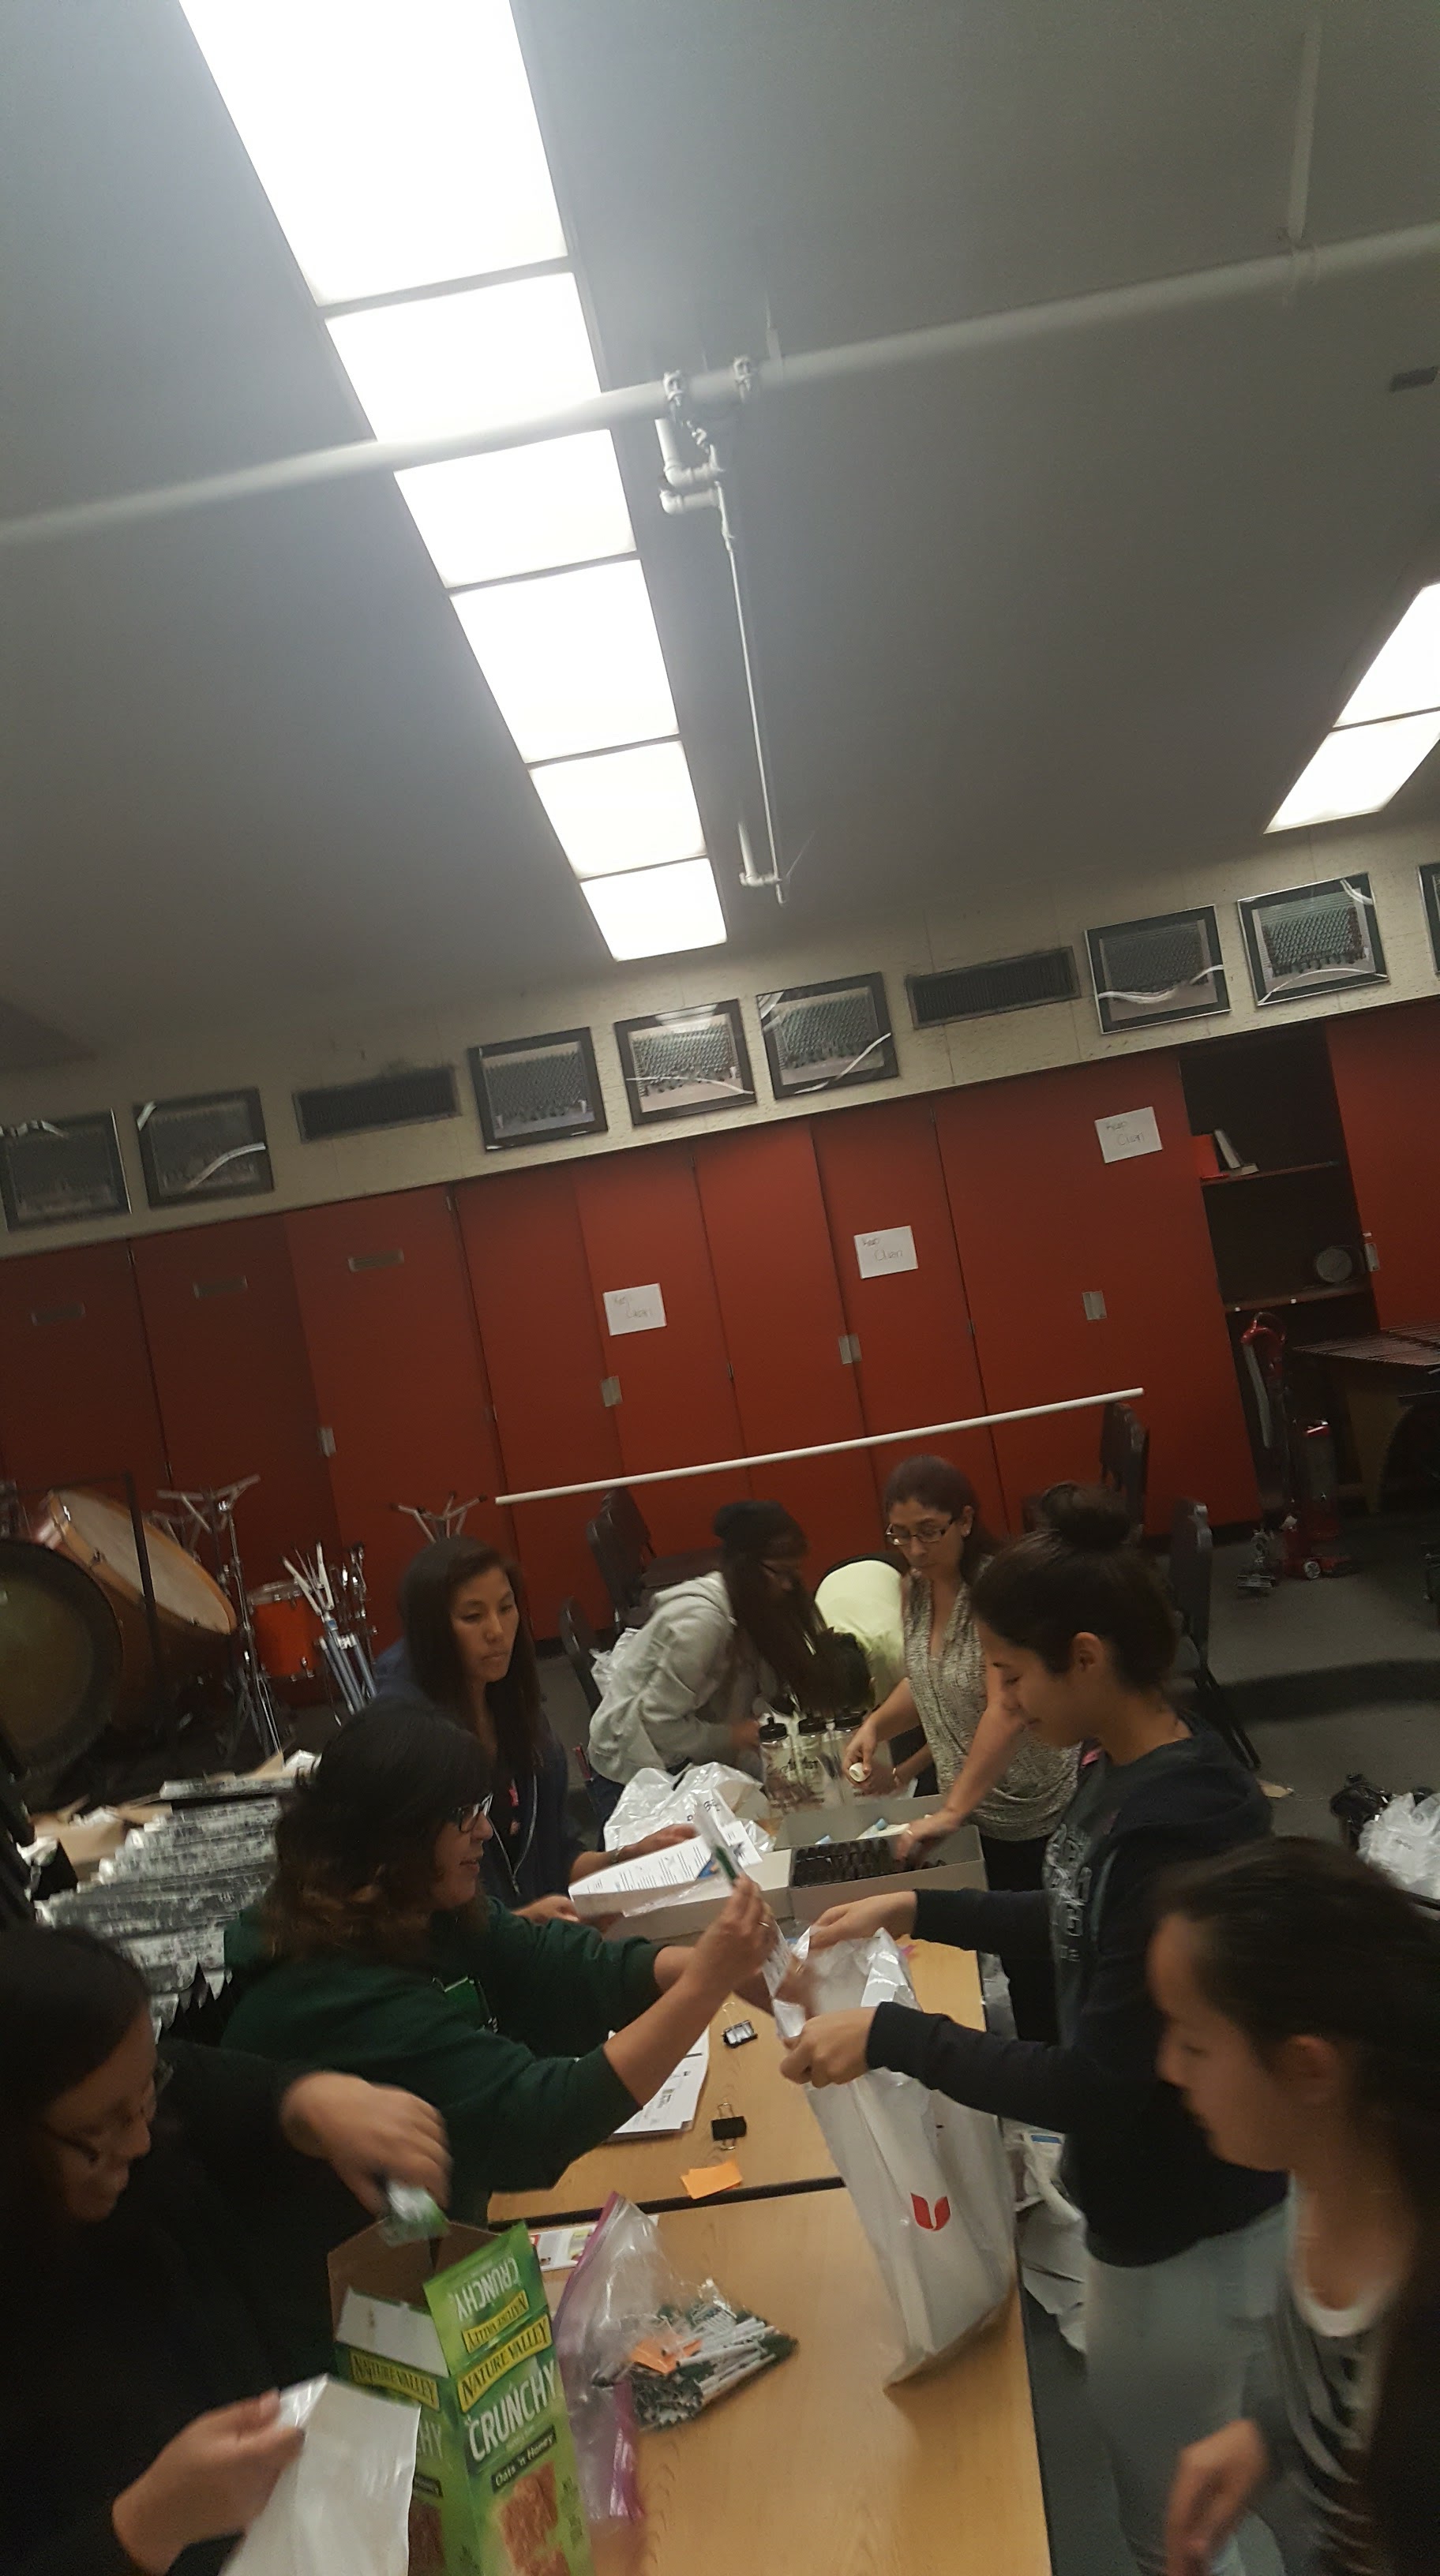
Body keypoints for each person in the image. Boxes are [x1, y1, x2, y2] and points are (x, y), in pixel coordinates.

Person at [778, 1485, 1285, 2576]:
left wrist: (892, 2036)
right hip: (1160, 2207)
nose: (1001, 1704)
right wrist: (916, 1908)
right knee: (1203, 2504)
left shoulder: (1174, 1832)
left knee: (1175, 2529)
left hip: (1184, 2220)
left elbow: (1094, 2085)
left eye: (1012, 1678)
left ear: (1086, 1658)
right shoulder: (1122, 1767)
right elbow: (1070, 1911)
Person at [0, 1921, 450, 2576]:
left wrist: (315, 2100)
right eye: (101, 2128)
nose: (139, 2141)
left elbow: (218, 2088)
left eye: (145, 2095)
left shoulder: (144, 2145)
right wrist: (143, 2526)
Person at [222, 1702, 775, 2223]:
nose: (485, 1830)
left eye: (481, 1808)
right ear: (399, 1834)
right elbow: (536, 2122)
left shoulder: (412, 1906)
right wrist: (705, 1984)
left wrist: (703, 1968)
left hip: (430, 2234)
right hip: (354, 2271)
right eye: (464, 1815)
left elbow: (552, 1962)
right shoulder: (334, 1992)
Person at [1155, 1839, 1440, 2576]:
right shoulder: (1325, 2164)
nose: (1168, 2067)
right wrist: (1269, 2435)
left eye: (1194, 2044)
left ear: (1309, 2068)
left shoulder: (1414, 2334)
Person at [843, 1457, 1076, 2042]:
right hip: (974, 1801)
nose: (915, 1549)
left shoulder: (996, 1592)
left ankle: (1054, 2073)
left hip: (1024, 1803)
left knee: (1043, 1966)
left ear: (965, 1521)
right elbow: (927, 1676)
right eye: (901, 1534)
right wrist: (876, 1724)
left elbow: (1008, 1708)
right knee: (1008, 1953)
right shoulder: (915, 1589)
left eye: (929, 1531)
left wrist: (950, 1810)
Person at [373, 1537, 688, 1918]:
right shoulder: (411, 1748)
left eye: (506, 1609)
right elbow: (416, 1917)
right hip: (483, 1952)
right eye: (473, 1617)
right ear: (432, 1630)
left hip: (537, 1939)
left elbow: (556, 1859)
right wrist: (528, 1923)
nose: (497, 1631)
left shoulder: (514, 1709)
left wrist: (626, 1858)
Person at [585, 1498, 849, 1822]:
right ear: (746, 1567)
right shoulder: (701, 1623)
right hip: (632, 1770)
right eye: (780, 1573)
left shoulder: (751, 1609)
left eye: (793, 1573)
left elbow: (740, 1714)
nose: (787, 1585)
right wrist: (732, 1738)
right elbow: (658, 1726)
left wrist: (769, 1773)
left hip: (682, 1757)